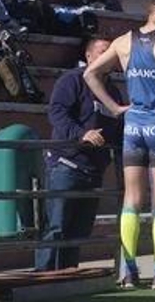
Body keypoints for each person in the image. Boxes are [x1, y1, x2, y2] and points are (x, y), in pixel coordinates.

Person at [83, 0, 155, 289]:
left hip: (132, 126)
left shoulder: (122, 42)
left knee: (131, 199)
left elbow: (90, 73)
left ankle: (130, 271)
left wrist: (116, 108)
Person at [36, 37, 119, 271]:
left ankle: (68, 276)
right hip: (66, 165)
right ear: (89, 57)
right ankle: (44, 277)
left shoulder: (112, 90)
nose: (108, 57)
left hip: (93, 171)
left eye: (111, 53)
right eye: (103, 52)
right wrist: (80, 134)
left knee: (79, 231)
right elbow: (56, 112)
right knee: (56, 226)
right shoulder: (72, 80)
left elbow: (117, 126)